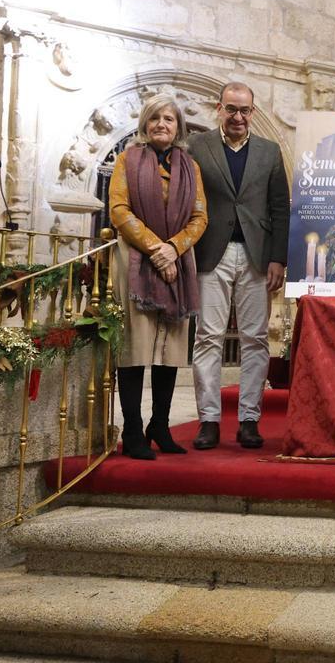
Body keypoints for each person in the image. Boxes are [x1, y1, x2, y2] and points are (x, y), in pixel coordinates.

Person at [188, 82, 290, 450]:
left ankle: (249, 419)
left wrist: (279, 257)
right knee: (208, 337)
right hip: (210, 254)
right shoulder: (197, 147)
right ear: (219, 109)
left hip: (256, 255)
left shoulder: (270, 151)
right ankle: (209, 421)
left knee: (256, 339)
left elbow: (280, 207)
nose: (238, 117)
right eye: (231, 109)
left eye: (245, 111)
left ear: (253, 112)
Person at [108, 94, 208, 460]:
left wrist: (174, 248)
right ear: (144, 125)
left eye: (168, 118)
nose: (161, 124)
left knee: (170, 348)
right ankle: (133, 430)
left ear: (178, 126)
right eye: (154, 119)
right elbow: (119, 210)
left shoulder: (190, 167)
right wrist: (155, 248)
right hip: (135, 260)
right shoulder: (127, 160)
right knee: (135, 348)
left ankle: (160, 426)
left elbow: (200, 217)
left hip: (177, 264)